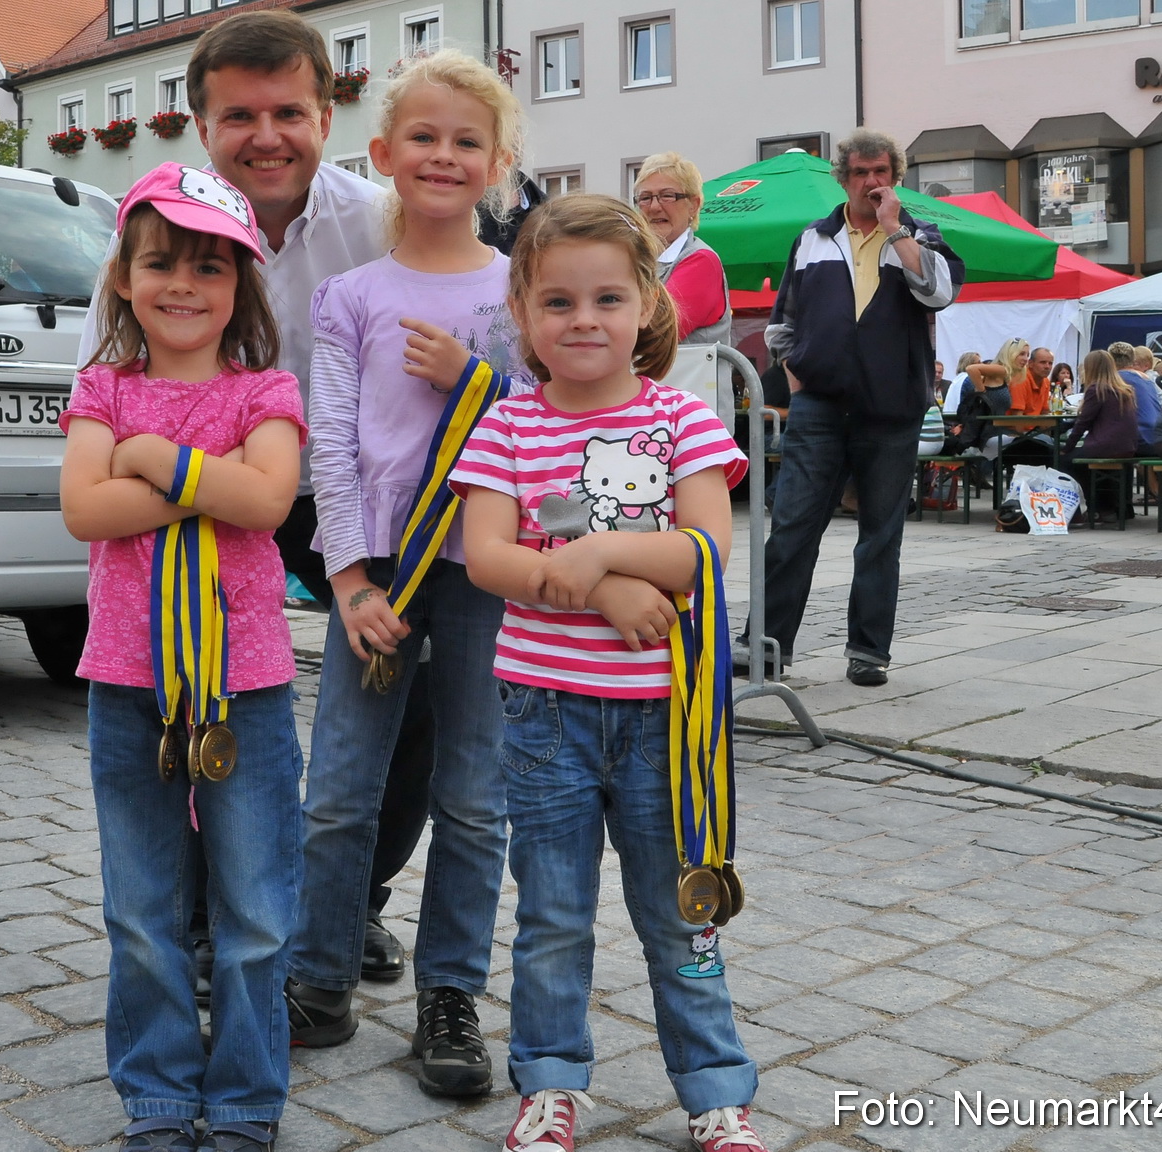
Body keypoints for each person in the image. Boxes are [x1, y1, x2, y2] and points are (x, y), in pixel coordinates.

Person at [107, 9, 426, 990]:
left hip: (363, 491)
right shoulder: (155, 230)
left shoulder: (381, 222)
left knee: (401, 700)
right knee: (206, 690)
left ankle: (346, 901)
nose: (265, 136)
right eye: (238, 116)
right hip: (215, 492)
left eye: (288, 110)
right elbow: (107, 377)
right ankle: (209, 918)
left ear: (328, 114)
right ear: (200, 126)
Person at [453, 193, 761, 1152]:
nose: (582, 320)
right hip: (542, 711)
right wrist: (599, 587)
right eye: (556, 302)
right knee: (550, 916)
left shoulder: (681, 419)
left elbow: (709, 550)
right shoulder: (508, 427)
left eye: (604, 299)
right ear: (522, 311)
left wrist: (595, 558)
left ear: (645, 305)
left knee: (681, 916)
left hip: (663, 715)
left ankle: (713, 1089)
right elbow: (487, 558)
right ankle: (549, 1085)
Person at [286, 50, 524, 1098]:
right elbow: (329, 444)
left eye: (465, 140)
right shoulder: (349, 295)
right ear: (382, 155)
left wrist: (475, 377)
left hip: (487, 567)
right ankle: (318, 974)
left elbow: (556, 412)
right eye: (422, 138)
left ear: (498, 163)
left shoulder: (519, 285)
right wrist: (345, 579)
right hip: (379, 572)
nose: (442, 155)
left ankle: (449, 997)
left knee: (474, 796)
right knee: (341, 787)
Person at [60, 166, 304, 1152]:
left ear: (242, 283)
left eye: (209, 267)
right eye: (160, 263)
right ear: (123, 276)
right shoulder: (99, 386)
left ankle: (245, 1100)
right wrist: (217, 480)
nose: (183, 286)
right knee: (142, 907)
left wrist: (155, 463)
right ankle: (158, 1096)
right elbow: (86, 509)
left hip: (244, 688)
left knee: (253, 910)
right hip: (128, 683)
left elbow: (269, 503)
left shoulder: (267, 388)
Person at [754, 129, 962, 687]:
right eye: (862, 173)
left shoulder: (920, 234)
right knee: (793, 527)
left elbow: (938, 293)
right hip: (819, 406)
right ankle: (767, 646)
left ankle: (868, 652)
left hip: (892, 409)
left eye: (882, 173)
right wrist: (798, 379)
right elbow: (781, 326)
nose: (873, 182)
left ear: (895, 177)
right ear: (842, 178)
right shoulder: (813, 240)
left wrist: (897, 231)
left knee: (880, 535)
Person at [633, 152, 730, 343]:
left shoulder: (701, 261)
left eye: (667, 196)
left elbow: (655, 334)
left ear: (694, 205)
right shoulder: (636, 260)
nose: (654, 207)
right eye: (645, 198)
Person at [1059, 349, 1140, 516]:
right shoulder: (1126, 389)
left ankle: (1095, 506)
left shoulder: (1096, 389)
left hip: (1105, 445)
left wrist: (1067, 447)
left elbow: (1083, 423)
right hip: (1127, 445)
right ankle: (1120, 507)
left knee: (1065, 462)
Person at [960, 338, 1024, 458]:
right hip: (988, 437)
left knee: (1035, 442)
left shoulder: (1004, 374)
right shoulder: (1001, 369)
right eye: (1021, 354)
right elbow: (971, 369)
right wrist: (981, 390)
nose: (1026, 358)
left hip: (989, 434)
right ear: (1011, 353)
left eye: (1027, 354)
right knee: (1036, 444)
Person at [1108, 341, 1162, 453]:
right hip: (1158, 437)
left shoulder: (1115, 380)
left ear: (1110, 360)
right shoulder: (1147, 379)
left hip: (1139, 440)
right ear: (1132, 359)